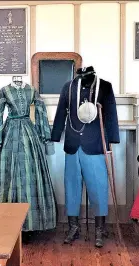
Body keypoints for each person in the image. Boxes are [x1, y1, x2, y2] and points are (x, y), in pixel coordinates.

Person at [51, 69, 120, 247]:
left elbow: (111, 113)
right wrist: (56, 135)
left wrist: (112, 140)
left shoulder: (104, 86)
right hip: (73, 145)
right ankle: (73, 227)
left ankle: (100, 228)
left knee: (99, 187)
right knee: (71, 187)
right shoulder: (69, 87)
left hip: (96, 145)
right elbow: (61, 112)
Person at [0, 81, 57, 240]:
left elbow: (40, 111)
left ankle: (30, 225)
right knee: (8, 174)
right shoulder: (4, 90)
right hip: (9, 132)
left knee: (28, 175)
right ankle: (5, 222)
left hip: (29, 132)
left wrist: (44, 134)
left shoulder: (32, 90)